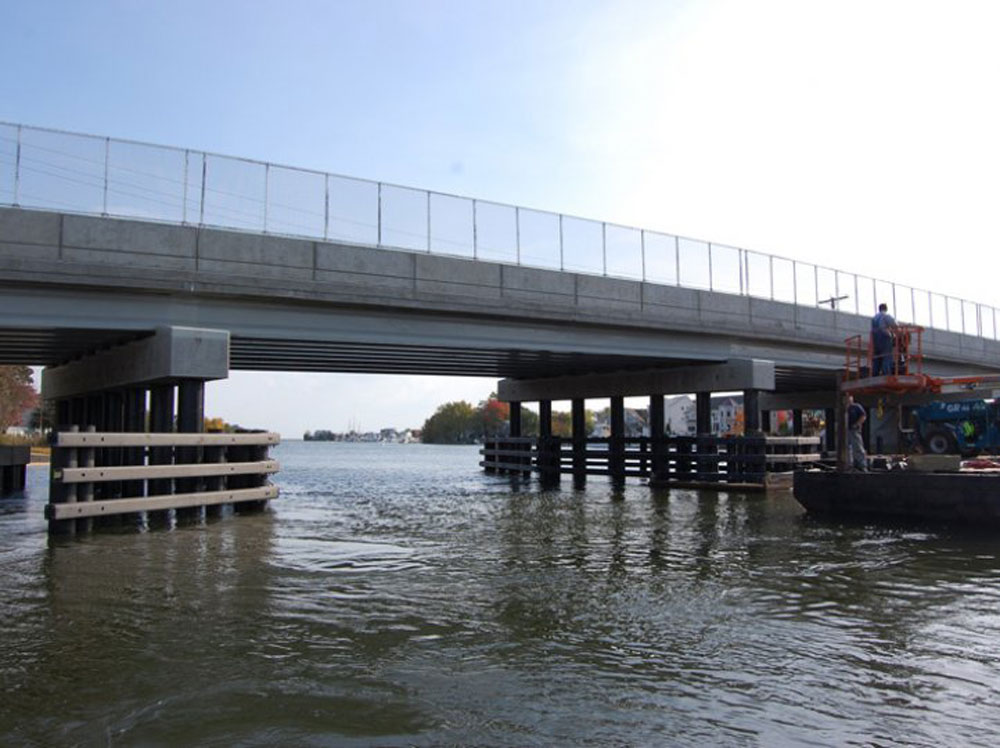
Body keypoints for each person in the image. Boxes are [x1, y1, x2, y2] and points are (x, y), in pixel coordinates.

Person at [870, 303, 898, 376]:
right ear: (886, 309)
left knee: (877, 357)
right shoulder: (886, 316)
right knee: (887, 355)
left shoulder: (874, 318)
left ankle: (875, 373)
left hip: (875, 340)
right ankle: (886, 374)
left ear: (879, 309)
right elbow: (894, 325)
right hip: (884, 338)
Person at [847, 394, 867, 471]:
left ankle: (862, 465)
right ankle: (849, 465)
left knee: (858, 447)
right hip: (845, 430)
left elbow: (863, 416)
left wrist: (857, 424)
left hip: (854, 430)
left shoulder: (856, 407)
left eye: (849, 397)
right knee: (847, 448)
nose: (848, 399)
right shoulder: (844, 408)